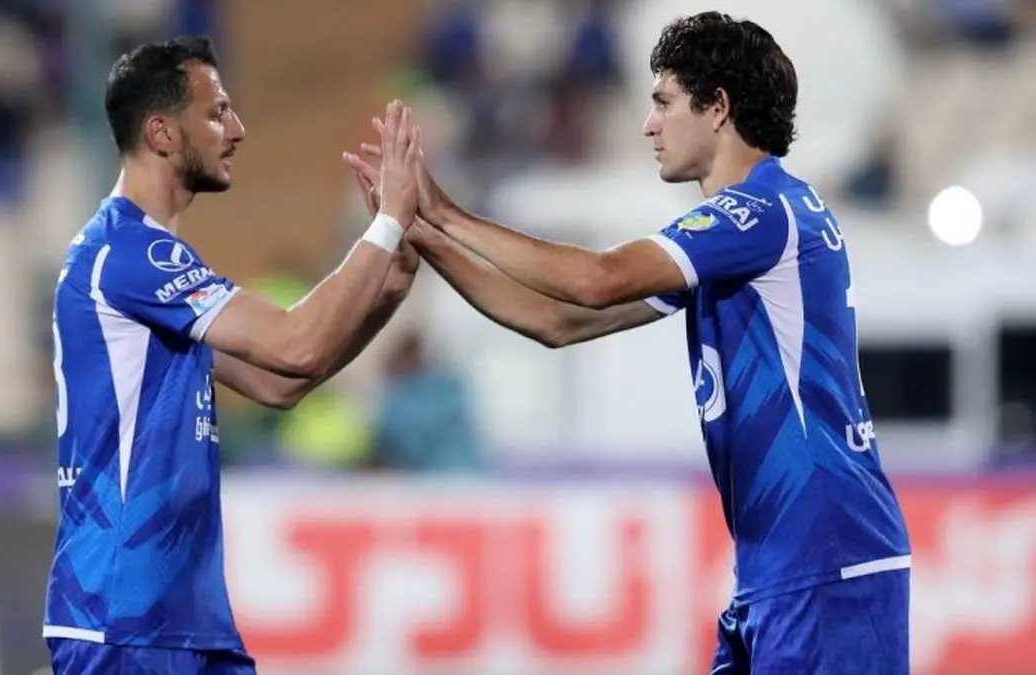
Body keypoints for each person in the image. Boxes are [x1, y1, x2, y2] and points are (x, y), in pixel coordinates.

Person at [344, 11, 911, 674]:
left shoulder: (759, 214)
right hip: (789, 566)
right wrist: (418, 231)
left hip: (826, 563)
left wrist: (442, 209)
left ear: (718, 108)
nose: (648, 124)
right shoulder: (747, 233)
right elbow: (555, 322)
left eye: (664, 103)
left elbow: (595, 280)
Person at [43, 35, 422, 674]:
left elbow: (283, 383)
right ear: (162, 133)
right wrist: (384, 228)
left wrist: (392, 281)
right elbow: (295, 344)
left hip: (186, 623)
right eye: (217, 112)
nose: (238, 129)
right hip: (122, 621)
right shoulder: (127, 254)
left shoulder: (147, 264)